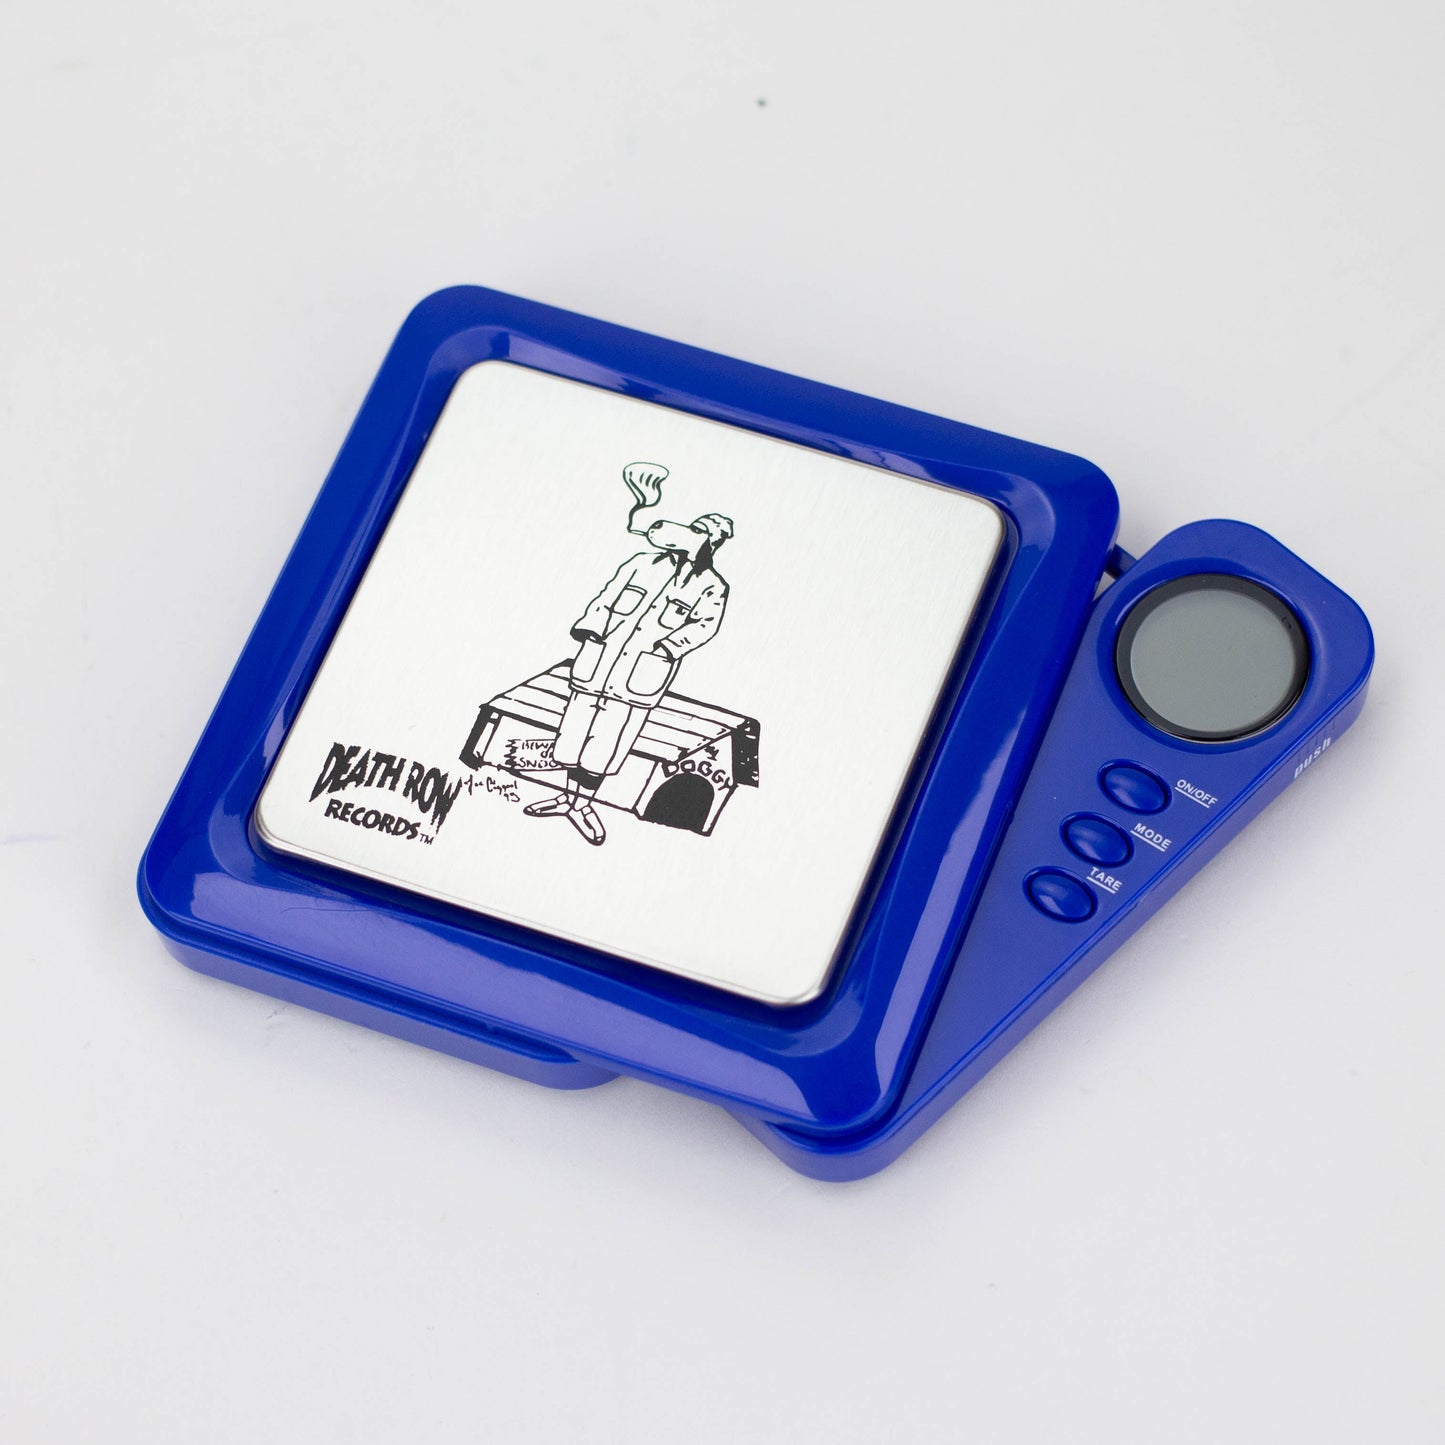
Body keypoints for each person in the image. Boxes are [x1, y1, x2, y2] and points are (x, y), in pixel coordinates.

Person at [525, 465, 732, 845]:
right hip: (599, 662)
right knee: (574, 733)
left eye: (702, 532)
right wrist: (591, 628)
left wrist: (668, 648)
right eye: (694, 527)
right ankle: (566, 797)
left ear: (712, 543)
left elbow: (705, 625)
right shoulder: (642, 563)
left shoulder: (712, 585)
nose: (692, 534)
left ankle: (583, 804)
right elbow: (606, 597)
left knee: (606, 744)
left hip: (641, 675)